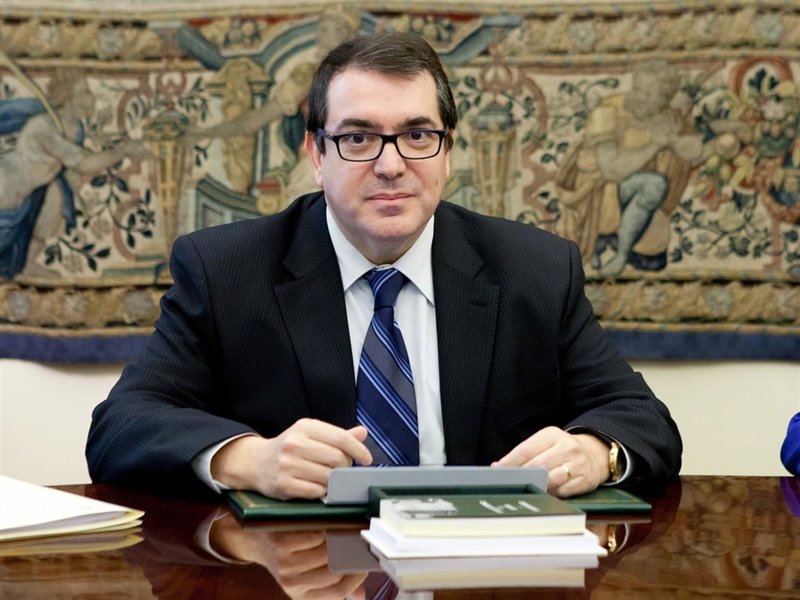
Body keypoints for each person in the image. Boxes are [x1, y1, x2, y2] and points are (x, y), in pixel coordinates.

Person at [86, 32, 682, 501]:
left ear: (447, 152)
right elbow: (123, 426)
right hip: (296, 575)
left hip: (479, 573)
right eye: (358, 138)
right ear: (316, 154)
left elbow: (642, 421)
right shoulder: (226, 270)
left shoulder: (535, 269)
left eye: (417, 135)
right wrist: (249, 459)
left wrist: (595, 452)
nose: (391, 165)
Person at [556, 61, 703, 277]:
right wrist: (654, 145)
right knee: (655, 184)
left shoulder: (667, 117)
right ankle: (620, 253)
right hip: (595, 194)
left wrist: (674, 141)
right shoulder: (607, 111)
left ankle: (620, 250)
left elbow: (696, 150)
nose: (638, 96)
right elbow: (611, 170)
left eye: (648, 94)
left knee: (654, 253)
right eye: (637, 88)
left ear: (665, 100)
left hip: (635, 197)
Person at [0, 68, 148, 279]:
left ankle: (29, 262)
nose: (91, 99)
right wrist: (122, 152)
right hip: (7, 184)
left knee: (58, 198)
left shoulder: (75, 128)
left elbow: (74, 161)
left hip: (33, 187)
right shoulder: (45, 126)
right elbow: (84, 163)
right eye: (84, 92)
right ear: (66, 96)